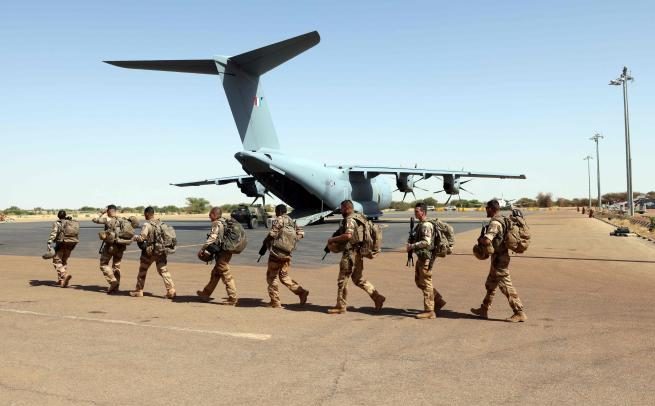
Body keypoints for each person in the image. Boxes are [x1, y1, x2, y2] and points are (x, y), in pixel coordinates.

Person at [471, 199, 527, 322]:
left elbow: (487, 240)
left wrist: (480, 240)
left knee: (506, 286)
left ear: (491, 209)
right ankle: (484, 309)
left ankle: (519, 312)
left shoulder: (495, 223)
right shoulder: (503, 219)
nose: (485, 210)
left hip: (499, 259)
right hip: (499, 256)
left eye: (487, 208)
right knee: (491, 285)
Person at [326, 200, 385, 314]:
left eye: (342, 208)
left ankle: (341, 306)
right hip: (359, 253)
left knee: (342, 280)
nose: (341, 211)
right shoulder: (360, 217)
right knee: (358, 279)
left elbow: (348, 235)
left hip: (350, 254)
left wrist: (332, 240)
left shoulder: (350, 220)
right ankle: (377, 297)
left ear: (347, 208)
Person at [261, 205, 309, 308]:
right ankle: (301, 292)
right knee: (284, 276)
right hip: (287, 254)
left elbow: (272, 233)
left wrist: (266, 241)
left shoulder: (279, 219)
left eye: (276, 211)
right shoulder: (292, 221)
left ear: (278, 211)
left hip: (276, 254)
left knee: (271, 276)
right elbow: (301, 233)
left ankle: (275, 302)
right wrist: (291, 241)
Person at [406, 203, 447, 319]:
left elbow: (426, 242)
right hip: (421, 257)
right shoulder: (420, 225)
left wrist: (412, 246)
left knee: (426, 283)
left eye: (417, 211)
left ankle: (429, 311)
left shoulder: (426, 226)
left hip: (426, 258)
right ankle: (438, 300)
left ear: (423, 212)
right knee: (419, 281)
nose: (415, 213)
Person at [129, 207, 176, 299]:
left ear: (147, 213)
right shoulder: (161, 223)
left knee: (143, 270)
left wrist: (134, 237)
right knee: (163, 270)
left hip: (150, 252)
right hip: (161, 251)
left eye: (144, 213)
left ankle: (139, 290)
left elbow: (142, 238)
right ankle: (171, 290)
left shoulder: (147, 225)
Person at [196, 207, 238, 305]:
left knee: (226, 274)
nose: (209, 216)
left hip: (222, 253)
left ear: (214, 214)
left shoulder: (216, 223)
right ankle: (205, 294)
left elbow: (213, 237)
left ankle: (233, 298)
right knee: (215, 273)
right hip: (226, 251)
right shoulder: (224, 222)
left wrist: (203, 248)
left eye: (210, 214)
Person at [92, 204, 124, 294]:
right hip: (121, 246)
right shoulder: (122, 220)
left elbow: (94, 219)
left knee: (103, 264)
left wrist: (101, 212)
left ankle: (112, 281)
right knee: (117, 266)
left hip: (110, 246)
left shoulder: (107, 219)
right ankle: (116, 287)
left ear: (108, 211)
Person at [46, 210, 76, 288]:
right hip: (70, 245)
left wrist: (49, 242)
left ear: (58, 216)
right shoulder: (70, 222)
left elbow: (54, 233)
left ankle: (64, 274)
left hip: (61, 244)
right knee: (64, 261)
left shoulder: (57, 223)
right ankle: (61, 280)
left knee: (56, 261)